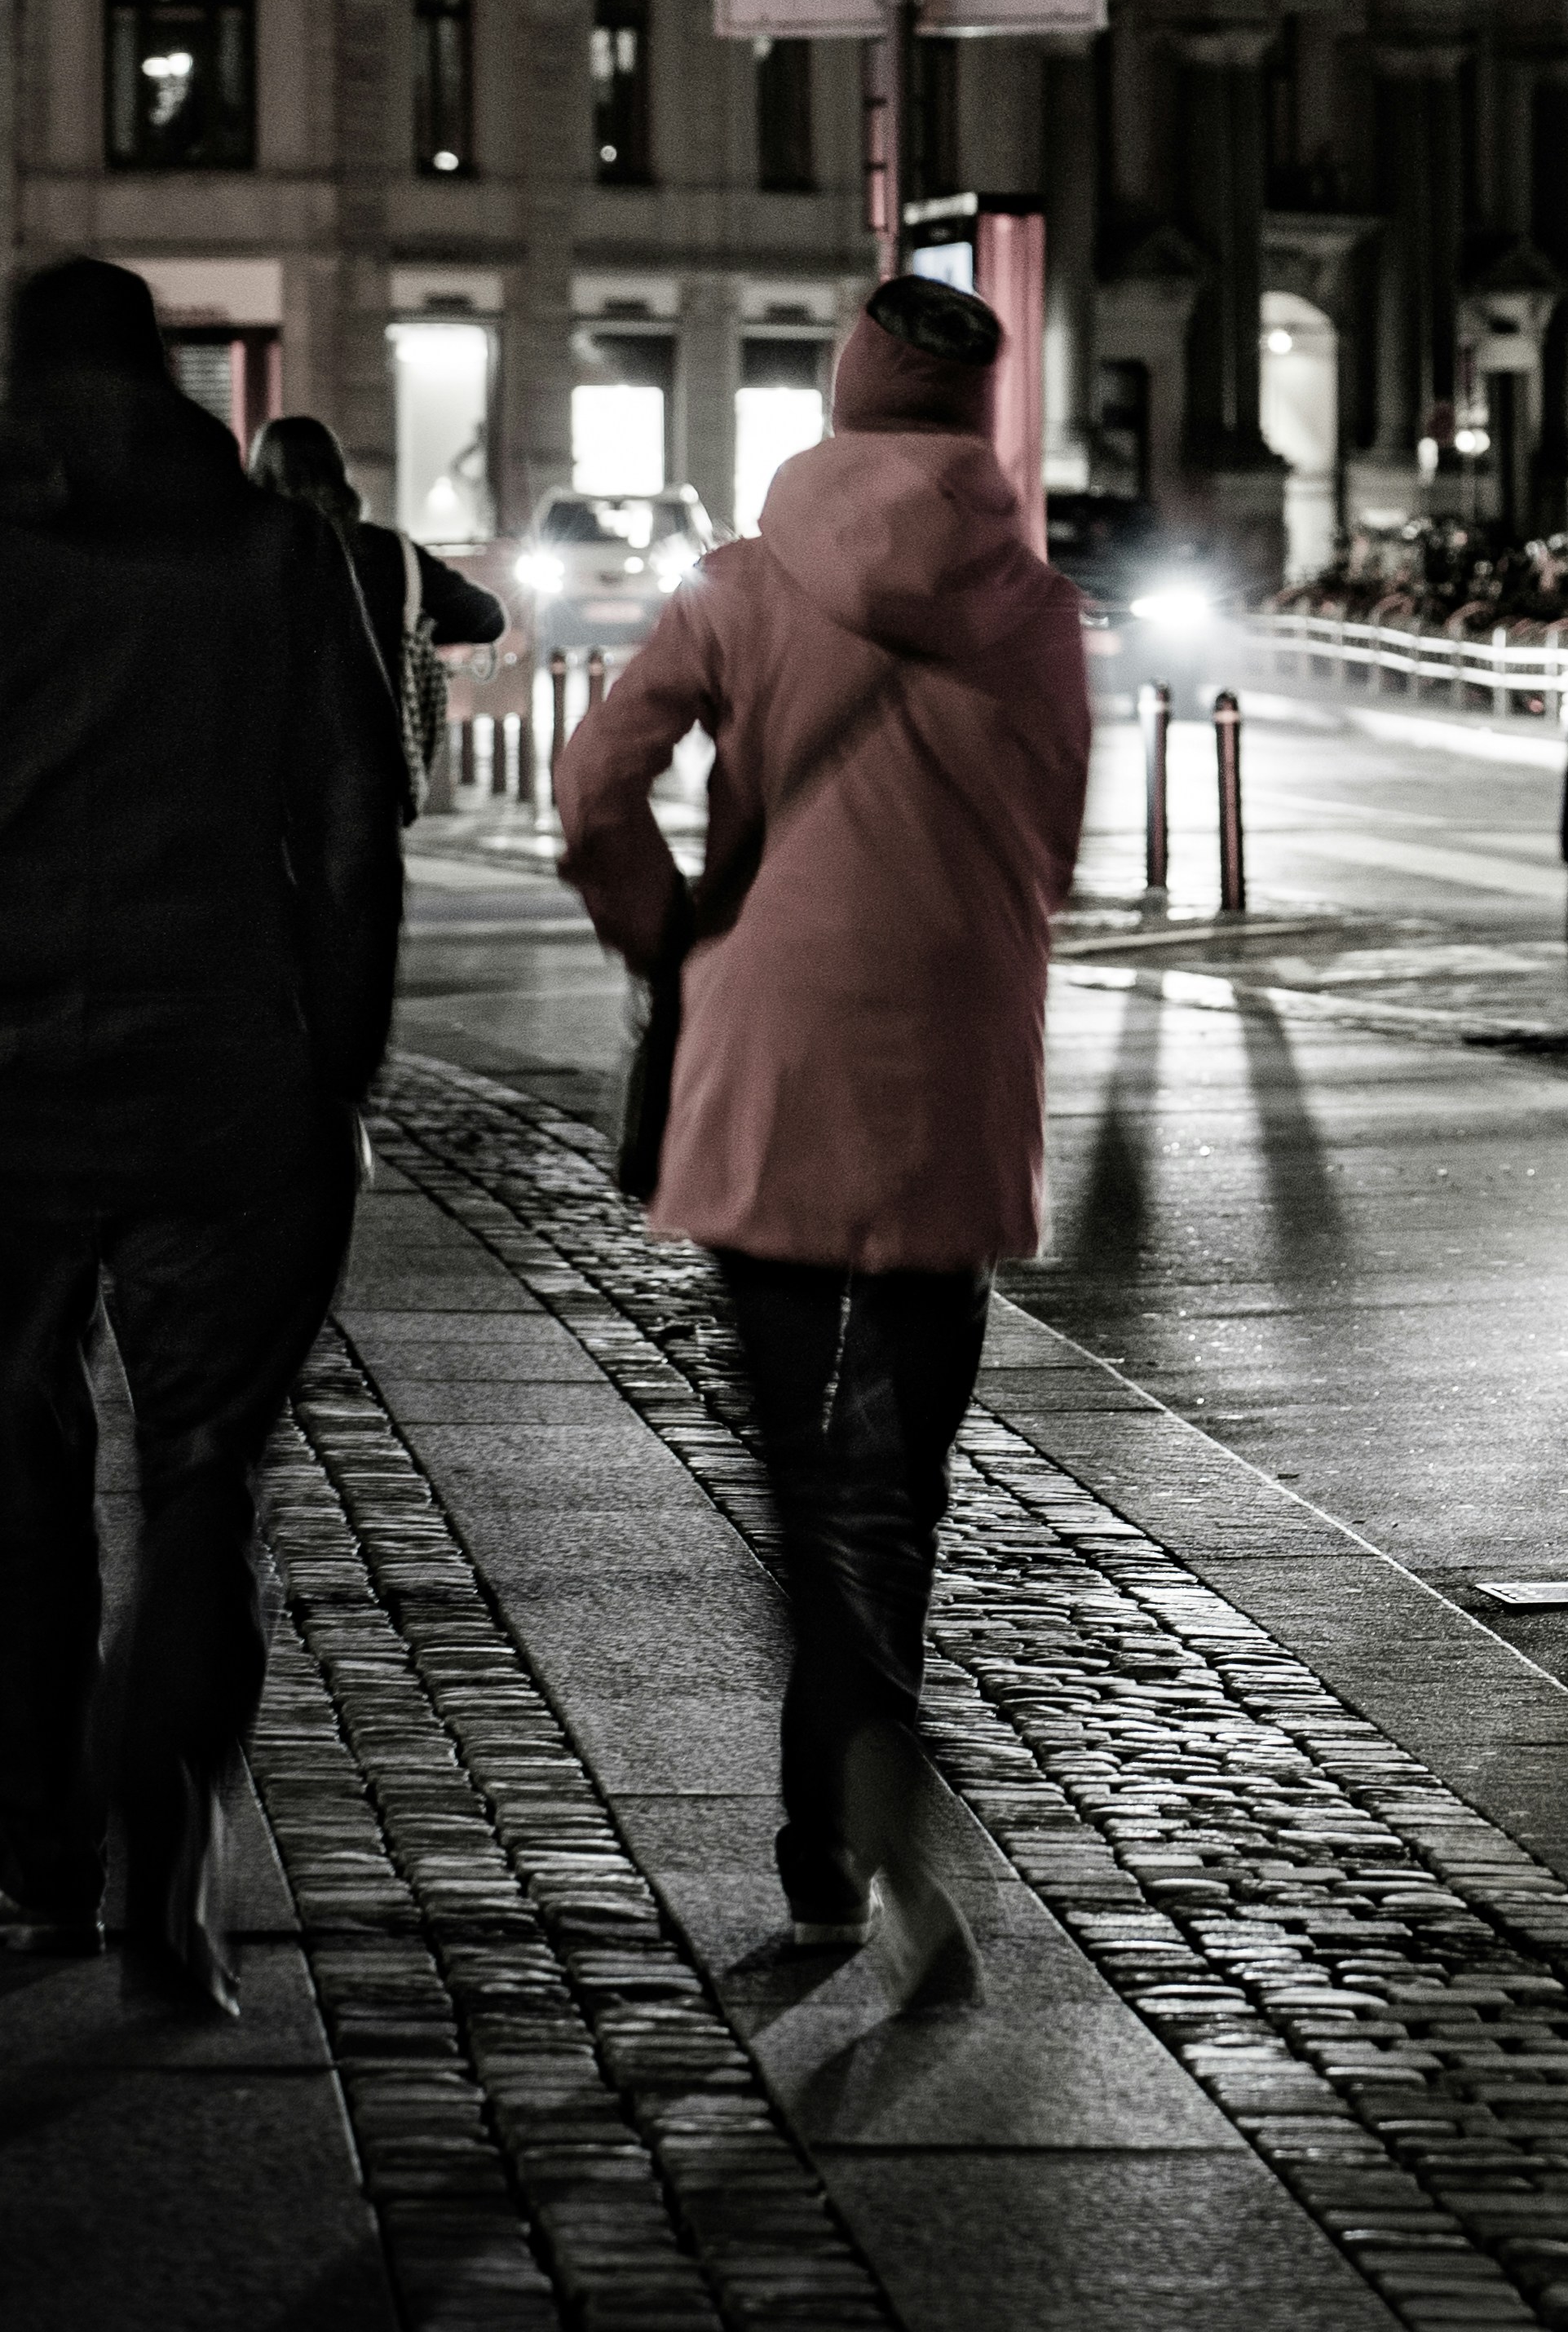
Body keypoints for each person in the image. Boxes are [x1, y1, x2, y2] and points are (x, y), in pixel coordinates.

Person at [0, 258, 404, 2016]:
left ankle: (42, 1854)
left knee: (8, 1467)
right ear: (166, 371)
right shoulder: (281, 556)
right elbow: (353, 827)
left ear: (9, 377)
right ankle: (165, 1806)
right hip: (228, 1070)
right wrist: (337, 1061)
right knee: (204, 1471)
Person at [550, 277, 1085, 2012]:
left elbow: (596, 784)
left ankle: (837, 1848)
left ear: (847, 398)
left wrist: (668, 938)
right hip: (959, 1062)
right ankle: (858, 1816)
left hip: (773, 1051)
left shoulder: (741, 583)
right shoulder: (1039, 609)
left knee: (799, 1475)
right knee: (904, 1478)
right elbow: (1052, 840)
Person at [249, 416, 505, 816]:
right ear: (338, 473)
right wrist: (412, 625)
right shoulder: (387, 553)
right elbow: (486, 618)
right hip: (368, 767)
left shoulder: (241, 557)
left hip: (266, 766)